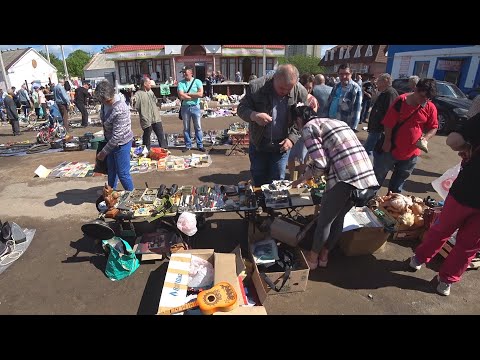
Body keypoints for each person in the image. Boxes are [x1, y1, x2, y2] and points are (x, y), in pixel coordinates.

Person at [291, 106, 379, 269]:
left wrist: (304, 178)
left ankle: (313, 259)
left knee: (325, 221)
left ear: (298, 120)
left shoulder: (309, 127)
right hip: (366, 175)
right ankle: (324, 256)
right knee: (339, 218)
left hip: (345, 177)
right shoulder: (336, 122)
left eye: (296, 124)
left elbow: (320, 164)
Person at [409, 112, 480, 296]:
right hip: (466, 192)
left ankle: (419, 259)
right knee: (468, 246)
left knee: (442, 230)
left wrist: (468, 143)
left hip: (465, 191)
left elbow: (453, 141)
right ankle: (446, 280)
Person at [237, 64, 308, 186]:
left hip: (281, 146)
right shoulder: (256, 87)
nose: (284, 92)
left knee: (278, 180)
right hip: (259, 143)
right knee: (258, 177)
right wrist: (254, 115)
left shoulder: (300, 92)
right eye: (281, 88)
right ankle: (261, 203)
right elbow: (241, 108)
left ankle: (273, 204)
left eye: (289, 89)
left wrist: (292, 139)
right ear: (274, 77)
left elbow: (302, 120)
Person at [373, 78, 438, 194]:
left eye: (427, 98)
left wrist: (425, 138)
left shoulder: (430, 106)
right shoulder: (401, 101)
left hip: (411, 154)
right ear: (416, 90)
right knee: (376, 180)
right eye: (422, 96)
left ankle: (390, 207)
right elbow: (388, 123)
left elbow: (434, 127)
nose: (424, 100)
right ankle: (364, 202)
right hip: (391, 149)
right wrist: (387, 141)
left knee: (397, 187)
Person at [95, 80, 134, 191]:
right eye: (103, 101)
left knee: (123, 173)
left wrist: (103, 152)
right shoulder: (104, 104)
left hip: (122, 143)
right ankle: (111, 191)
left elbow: (117, 136)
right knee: (111, 170)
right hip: (110, 142)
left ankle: (131, 196)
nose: (105, 103)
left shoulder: (120, 108)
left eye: (107, 101)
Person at [288, 73, 318, 180]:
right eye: (306, 87)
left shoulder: (313, 100)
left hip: (305, 134)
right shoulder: (294, 98)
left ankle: (300, 177)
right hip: (292, 131)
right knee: (290, 156)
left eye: (310, 88)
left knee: (303, 157)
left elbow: (313, 118)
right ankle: (292, 177)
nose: (308, 90)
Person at [363, 73, 398, 156]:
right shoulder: (385, 92)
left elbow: (389, 114)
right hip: (376, 128)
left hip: (379, 129)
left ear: (385, 81)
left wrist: (384, 130)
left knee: (368, 150)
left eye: (378, 81)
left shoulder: (390, 94)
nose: (376, 83)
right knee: (370, 150)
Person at [326, 64, 363, 131]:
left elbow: (357, 110)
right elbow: (329, 103)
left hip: (343, 126)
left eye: (347, 74)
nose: (344, 76)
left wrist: (352, 129)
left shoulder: (355, 89)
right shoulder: (336, 86)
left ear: (351, 74)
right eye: (341, 74)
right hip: (330, 122)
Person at [177, 65, 205, 152]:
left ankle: (200, 145)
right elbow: (181, 95)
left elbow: (200, 94)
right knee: (186, 128)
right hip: (185, 107)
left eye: (186, 72)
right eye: (183, 73)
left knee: (198, 127)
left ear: (191, 73)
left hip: (195, 107)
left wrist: (188, 94)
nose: (184, 74)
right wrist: (193, 95)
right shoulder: (180, 83)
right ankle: (188, 145)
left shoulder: (198, 82)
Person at [135, 78, 166, 150]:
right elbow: (134, 102)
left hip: (156, 117)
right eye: (149, 83)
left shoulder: (150, 92)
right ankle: (146, 150)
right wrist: (133, 100)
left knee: (160, 134)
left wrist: (158, 103)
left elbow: (155, 100)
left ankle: (164, 149)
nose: (151, 85)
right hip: (146, 118)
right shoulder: (138, 94)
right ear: (145, 84)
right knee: (147, 136)